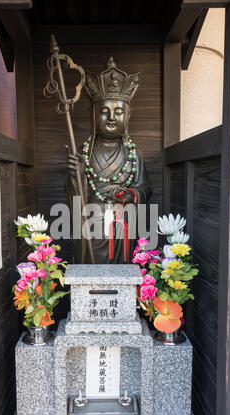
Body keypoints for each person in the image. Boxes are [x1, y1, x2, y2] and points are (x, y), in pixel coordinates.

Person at [66, 58, 151, 263]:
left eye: (118, 112)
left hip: (122, 221)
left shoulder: (133, 153)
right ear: (93, 115)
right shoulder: (84, 151)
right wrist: (75, 178)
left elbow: (145, 188)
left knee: (120, 266)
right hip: (91, 220)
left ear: (128, 117)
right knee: (90, 265)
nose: (111, 117)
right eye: (104, 112)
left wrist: (129, 194)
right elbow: (76, 194)